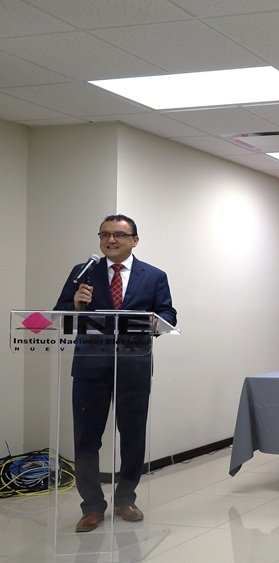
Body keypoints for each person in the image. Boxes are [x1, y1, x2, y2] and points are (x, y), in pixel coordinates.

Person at [54, 214, 177, 533]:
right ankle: (92, 506)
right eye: (105, 234)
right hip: (89, 367)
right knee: (86, 439)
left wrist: (155, 322)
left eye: (119, 235)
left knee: (133, 435)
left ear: (135, 240)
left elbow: (167, 312)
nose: (111, 240)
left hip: (134, 365)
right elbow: (61, 317)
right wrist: (76, 306)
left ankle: (126, 498)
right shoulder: (83, 272)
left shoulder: (154, 276)